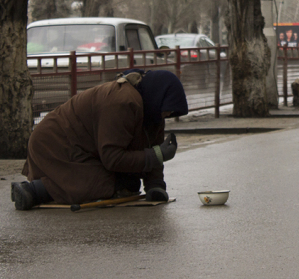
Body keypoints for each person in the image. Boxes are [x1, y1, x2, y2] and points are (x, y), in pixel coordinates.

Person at [11, 69, 188, 210]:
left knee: (128, 184)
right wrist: (157, 156)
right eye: (168, 109)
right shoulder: (124, 102)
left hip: (84, 148)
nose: (167, 114)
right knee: (101, 186)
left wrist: (155, 186)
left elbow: (150, 145)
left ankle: (49, 187)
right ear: (158, 96)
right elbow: (113, 157)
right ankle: (33, 191)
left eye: (171, 112)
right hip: (55, 143)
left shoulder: (153, 110)